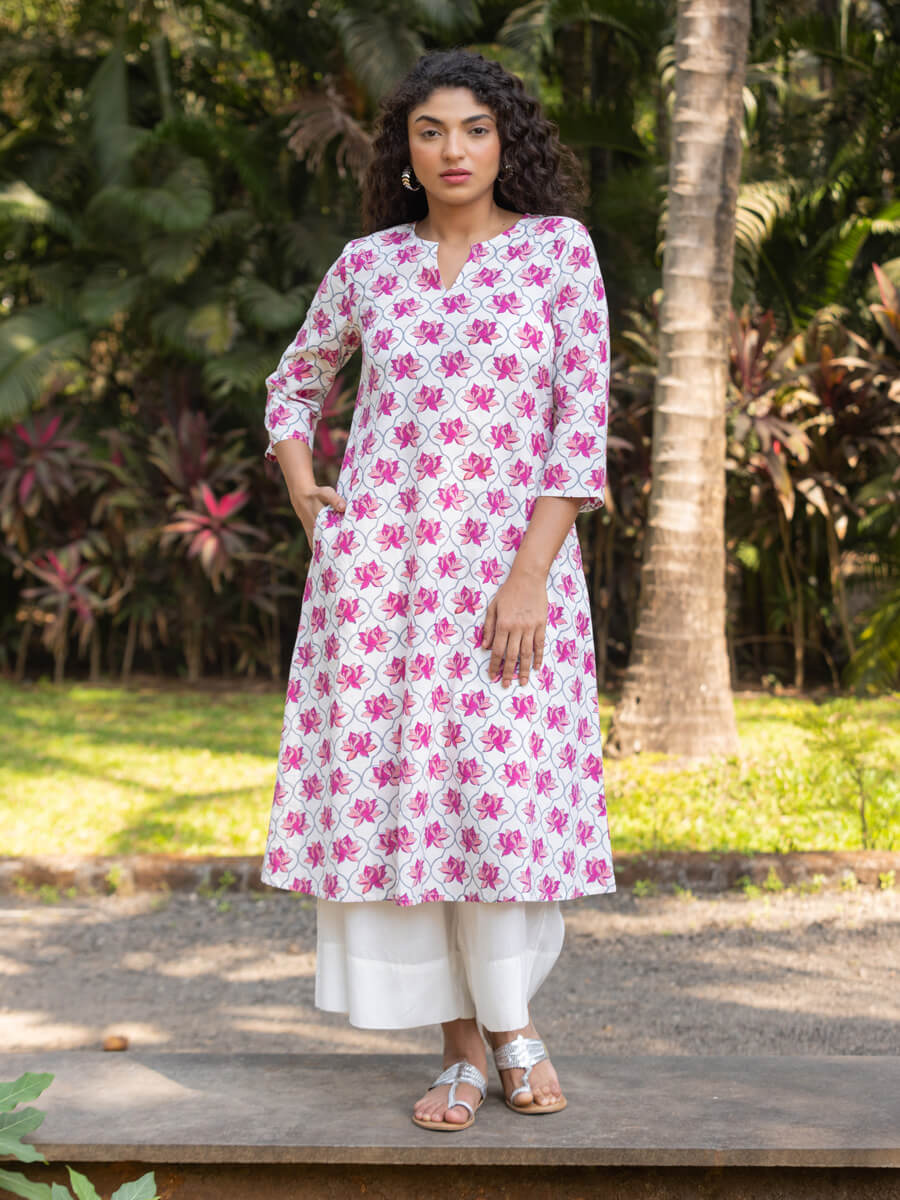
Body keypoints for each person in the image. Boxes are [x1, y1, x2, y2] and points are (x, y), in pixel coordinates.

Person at [261, 47, 616, 1130]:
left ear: (506, 142)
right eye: (430, 131)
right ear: (405, 153)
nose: (453, 149)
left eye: (474, 128)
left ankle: (513, 1024)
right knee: (416, 802)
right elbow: (293, 383)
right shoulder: (369, 267)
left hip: (512, 579)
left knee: (496, 798)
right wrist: (310, 496)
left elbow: (580, 422)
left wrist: (528, 576)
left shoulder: (557, 253)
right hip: (383, 587)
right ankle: (466, 1050)